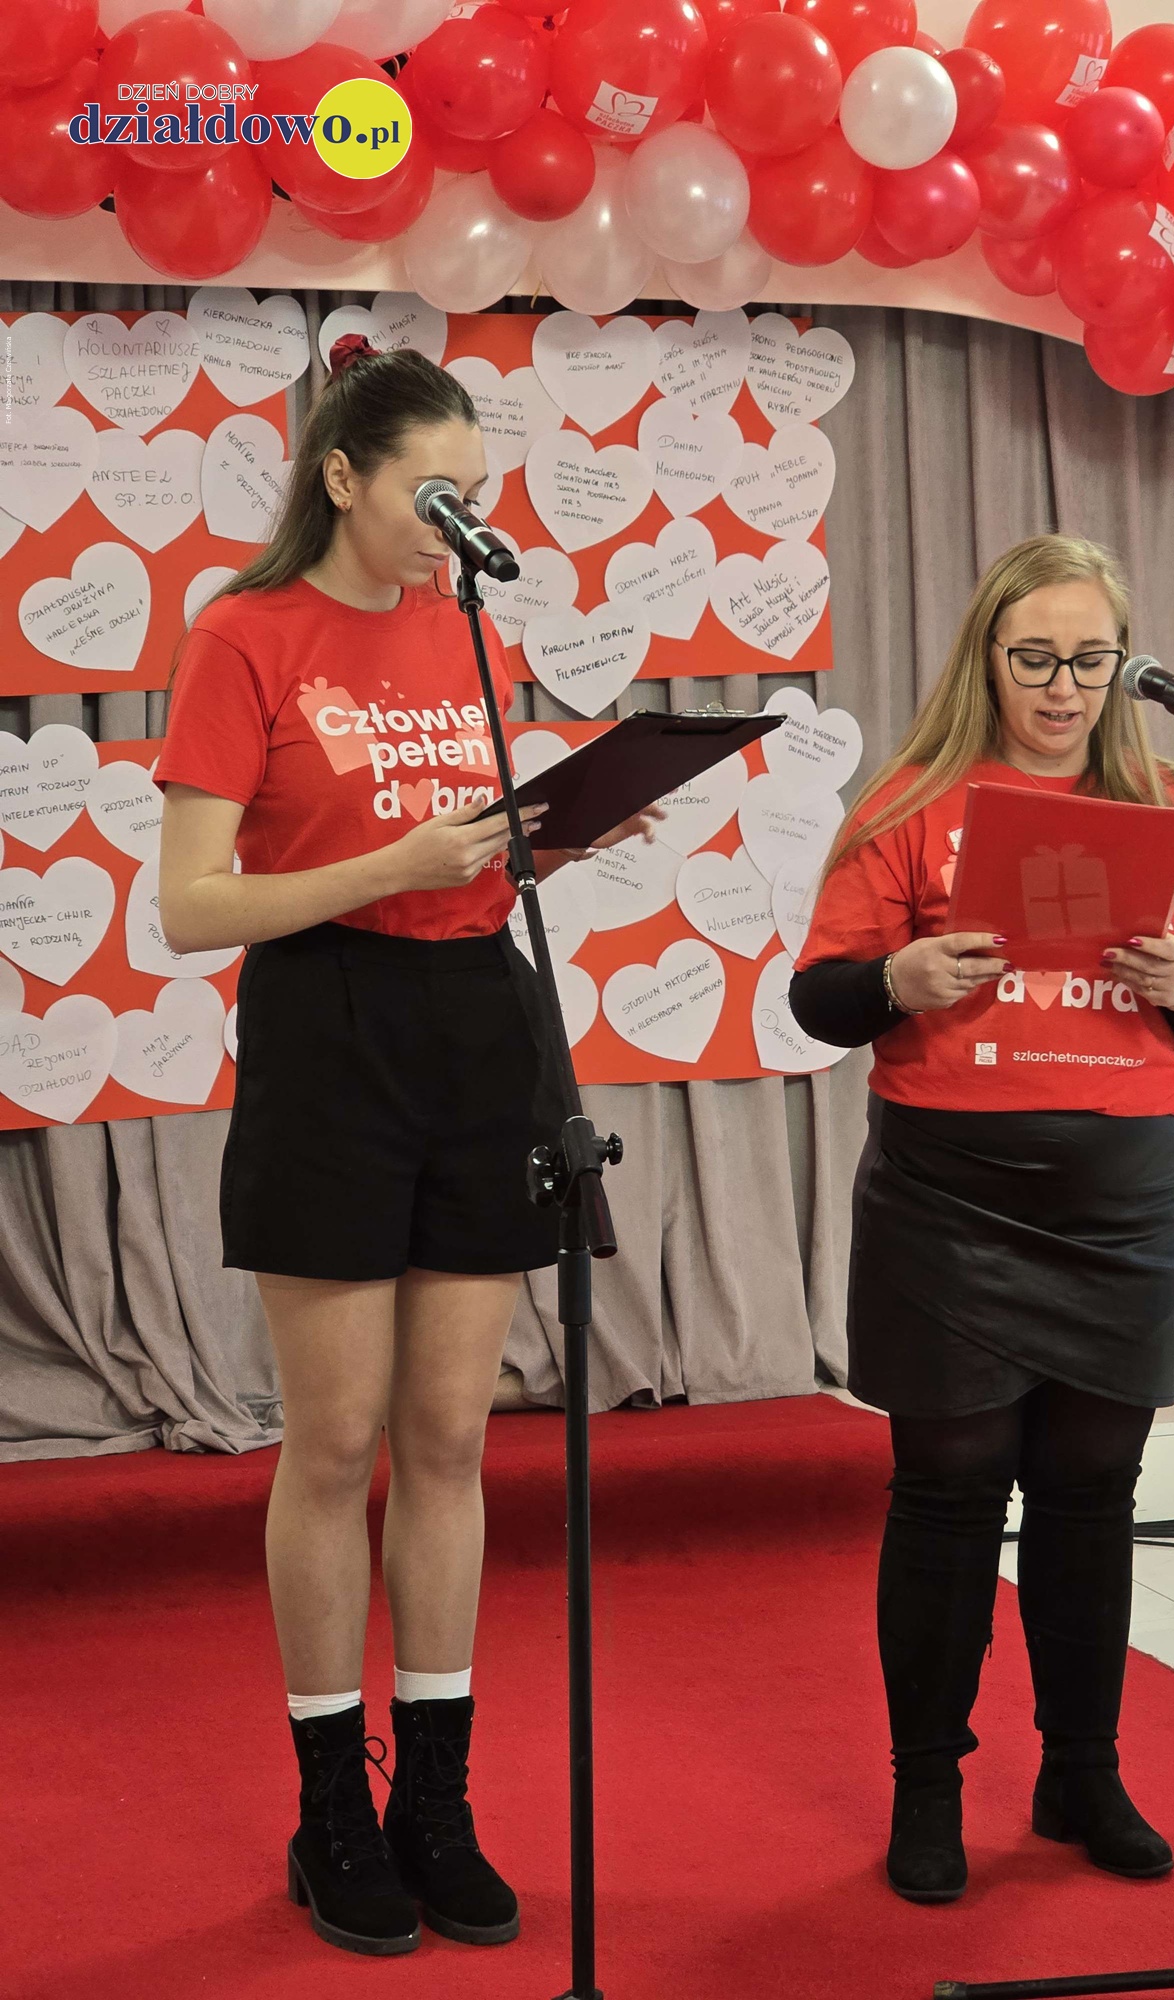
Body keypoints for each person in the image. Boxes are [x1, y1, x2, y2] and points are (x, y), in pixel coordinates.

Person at [155, 335, 658, 1958]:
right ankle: (331, 1806)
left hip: (477, 1019)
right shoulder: (244, 635)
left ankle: (437, 1798)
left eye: (478, 494)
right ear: (343, 478)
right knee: (335, 1440)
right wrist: (391, 867)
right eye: (437, 494)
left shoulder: (465, 628)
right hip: (328, 1024)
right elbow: (188, 907)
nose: (462, 524)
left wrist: (561, 830)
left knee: (448, 1433)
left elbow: (470, 852)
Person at [789, 534, 1174, 1906]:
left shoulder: (1166, 800)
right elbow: (818, 1000)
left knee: (1091, 1493)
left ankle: (1081, 1773)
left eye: (1089, 661)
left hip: (1121, 1208)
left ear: (1123, 667)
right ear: (986, 658)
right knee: (949, 1490)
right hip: (952, 1203)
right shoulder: (912, 799)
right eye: (1036, 658)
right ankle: (928, 1787)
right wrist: (900, 977)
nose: (1062, 688)